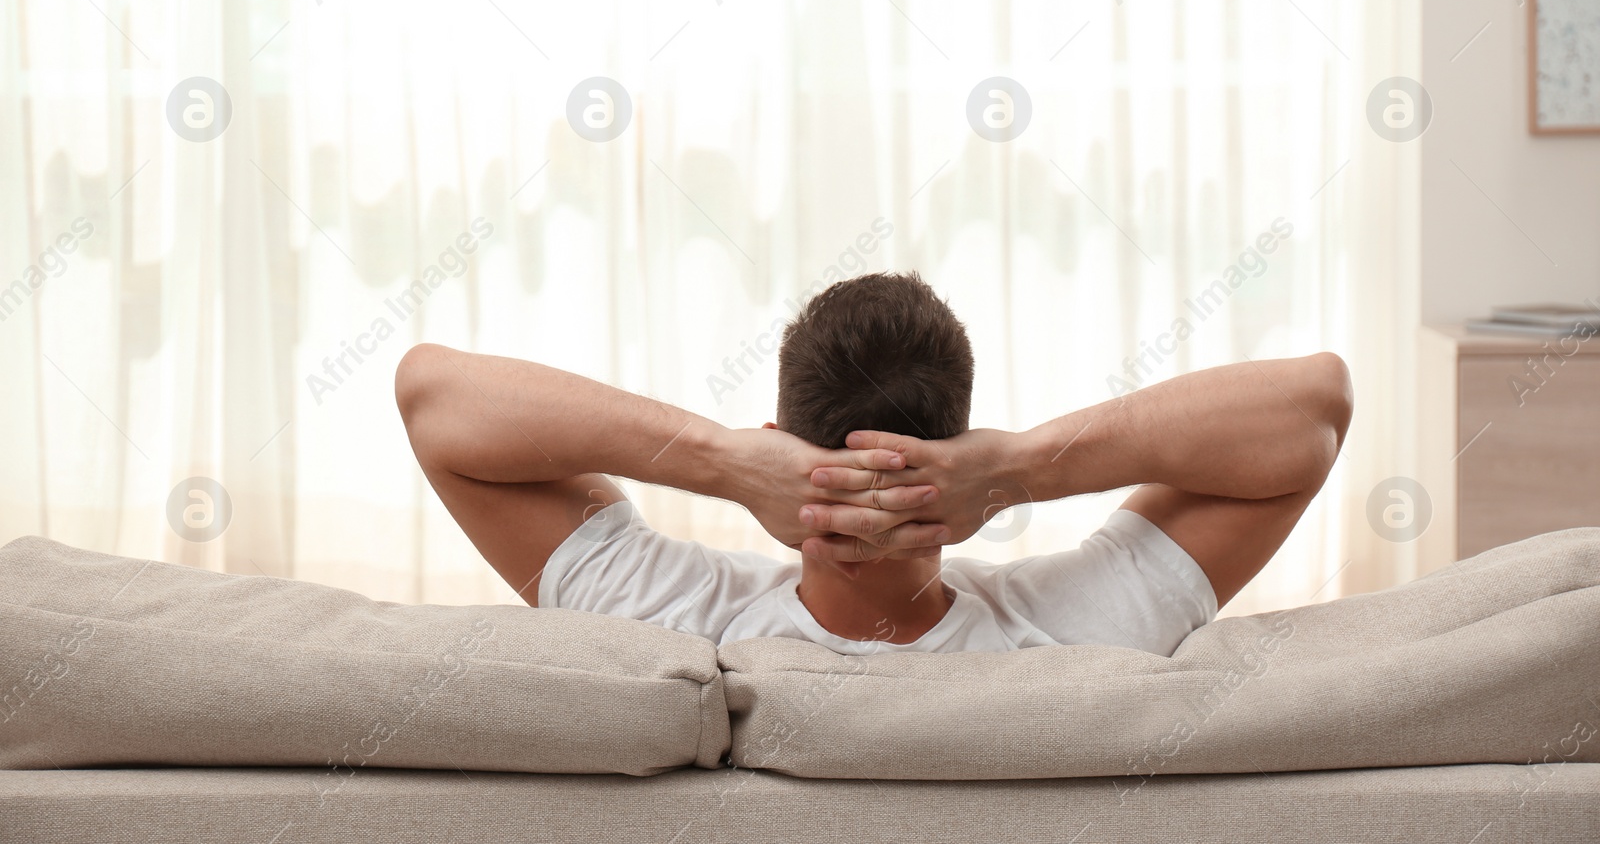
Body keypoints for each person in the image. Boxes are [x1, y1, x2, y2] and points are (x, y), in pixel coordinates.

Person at [395, 272, 1351, 655]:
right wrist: (1018, 467)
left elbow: (431, 396)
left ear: (777, 430)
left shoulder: (669, 628)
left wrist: (725, 463)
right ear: (960, 436)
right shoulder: (1085, 629)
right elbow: (1314, 408)